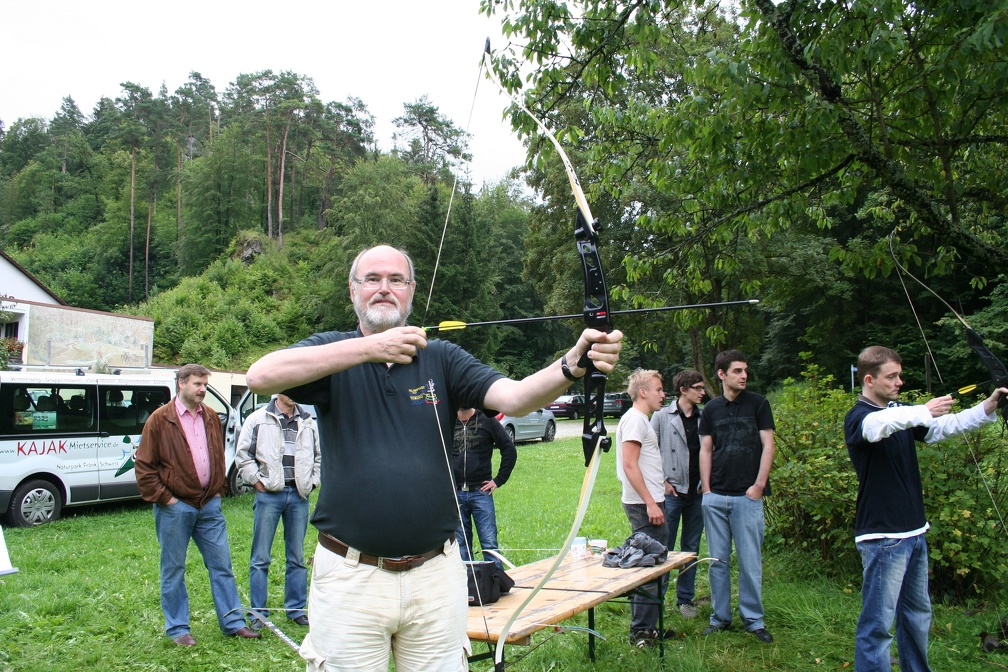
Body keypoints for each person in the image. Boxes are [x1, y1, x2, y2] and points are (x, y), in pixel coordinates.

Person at [244, 244, 622, 672]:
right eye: (372, 279)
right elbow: (260, 376)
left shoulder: (441, 357)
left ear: (411, 292)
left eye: (396, 280)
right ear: (353, 291)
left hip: (436, 575)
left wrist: (573, 363)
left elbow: (515, 398)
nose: (384, 289)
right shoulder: (332, 352)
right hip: (351, 576)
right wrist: (371, 348)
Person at [845, 346, 1006, 672]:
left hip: (914, 531)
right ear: (869, 379)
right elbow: (879, 426)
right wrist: (921, 410)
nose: (899, 382)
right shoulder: (860, 417)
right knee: (877, 626)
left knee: (917, 616)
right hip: (882, 535)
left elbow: (944, 426)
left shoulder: (900, 411)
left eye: (900, 375)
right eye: (892, 377)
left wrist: (988, 406)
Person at [134, 363, 261, 646]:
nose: (203, 390)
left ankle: (233, 622)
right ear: (181, 383)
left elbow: (217, 456)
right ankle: (178, 629)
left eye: (205, 384)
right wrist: (167, 499)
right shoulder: (160, 419)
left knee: (222, 566)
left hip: (209, 506)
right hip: (175, 508)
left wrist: (217, 490)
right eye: (197, 384)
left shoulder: (211, 417)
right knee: (174, 568)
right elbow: (144, 467)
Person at [699, 349, 775, 643]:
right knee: (717, 561)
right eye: (737, 371)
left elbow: (768, 446)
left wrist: (758, 486)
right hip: (716, 496)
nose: (744, 376)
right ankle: (719, 618)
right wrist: (706, 490)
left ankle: (754, 620)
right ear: (721, 374)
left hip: (748, 497)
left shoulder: (758, 404)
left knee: (750, 562)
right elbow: (706, 450)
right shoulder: (711, 409)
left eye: (745, 370)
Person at [235, 393, 321, 629]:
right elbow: (243, 455)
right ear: (278, 390)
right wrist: (256, 481)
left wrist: (312, 482)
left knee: (297, 557)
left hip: (298, 495)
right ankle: (258, 614)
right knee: (260, 558)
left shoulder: (307, 421)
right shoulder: (257, 419)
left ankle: (295, 609)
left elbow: (318, 457)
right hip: (269, 496)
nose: (296, 393)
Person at [614, 368, 668, 648]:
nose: (663, 394)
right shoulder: (636, 420)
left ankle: (650, 627)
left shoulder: (639, 420)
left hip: (649, 499)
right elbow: (629, 465)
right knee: (650, 565)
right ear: (643, 392)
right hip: (643, 504)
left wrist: (662, 486)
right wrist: (650, 501)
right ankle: (642, 632)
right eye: (659, 389)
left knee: (655, 564)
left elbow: (643, 464)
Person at [651, 369, 706, 620]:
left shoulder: (704, 417)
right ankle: (657, 599)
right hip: (672, 492)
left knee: (691, 548)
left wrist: (706, 482)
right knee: (665, 547)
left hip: (697, 492)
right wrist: (662, 482)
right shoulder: (662, 416)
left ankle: (685, 600)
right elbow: (649, 452)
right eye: (697, 387)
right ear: (683, 390)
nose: (702, 392)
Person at [452, 407, 516, 570]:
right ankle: (469, 587)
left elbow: (509, 449)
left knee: (489, 544)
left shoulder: (487, 420)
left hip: (481, 492)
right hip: (456, 492)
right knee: (461, 545)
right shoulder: (449, 421)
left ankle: (495, 584)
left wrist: (498, 480)